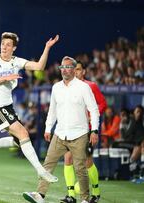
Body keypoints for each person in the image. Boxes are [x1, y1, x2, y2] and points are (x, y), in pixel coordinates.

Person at [0, 32, 59, 183]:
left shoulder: (16, 61)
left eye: (8, 45)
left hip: (8, 106)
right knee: (24, 134)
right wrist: (4, 78)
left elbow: (39, 67)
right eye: (3, 44)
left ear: (14, 48)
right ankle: (41, 171)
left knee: (18, 141)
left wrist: (47, 47)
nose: (4, 47)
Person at [23, 56, 100, 203]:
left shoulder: (83, 87)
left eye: (68, 67)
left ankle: (85, 199)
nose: (64, 70)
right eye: (62, 67)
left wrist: (94, 130)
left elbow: (94, 110)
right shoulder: (56, 87)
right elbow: (52, 110)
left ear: (74, 69)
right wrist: (48, 129)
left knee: (80, 169)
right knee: (48, 163)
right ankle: (40, 194)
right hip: (59, 133)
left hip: (79, 134)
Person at [60, 61, 107, 203]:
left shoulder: (91, 86)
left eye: (79, 70)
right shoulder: (67, 87)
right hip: (70, 129)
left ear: (84, 72)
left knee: (87, 162)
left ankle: (96, 192)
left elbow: (103, 103)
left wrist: (91, 117)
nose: (76, 72)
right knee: (67, 159)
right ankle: (71, 196)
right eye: (75, 69)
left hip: (86, 129)